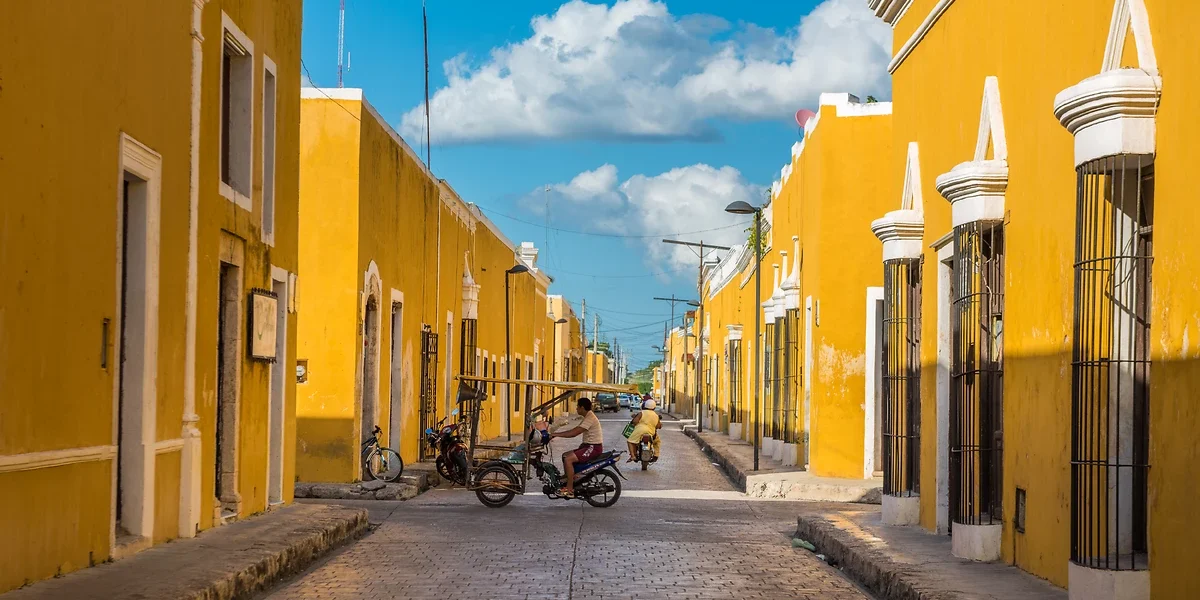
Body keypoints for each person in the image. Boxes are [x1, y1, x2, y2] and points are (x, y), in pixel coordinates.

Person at [549, 396, 603, 498]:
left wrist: (556, 434)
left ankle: (570, 489)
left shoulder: (590, 418)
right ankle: (569, 480)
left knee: (568, 460)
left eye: (577, 407)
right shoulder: (587, 417)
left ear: (582, 407)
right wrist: (556, 434)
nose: (576, 409)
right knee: (565, 455)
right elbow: (575, 429)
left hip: (593, 447)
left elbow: (574, 433)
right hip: (587, 446)